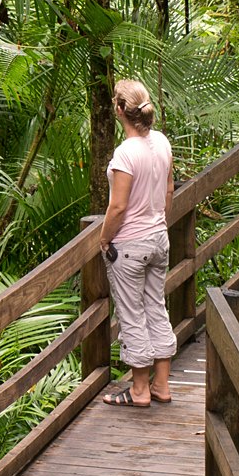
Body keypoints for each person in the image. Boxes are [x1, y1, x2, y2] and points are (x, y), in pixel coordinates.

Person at [93, 78, 177, 406]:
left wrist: (104, 238)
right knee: (156, 306)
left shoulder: (125, 153)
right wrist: (160, 220)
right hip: (158, 238)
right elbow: (168, 189)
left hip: (129, 244)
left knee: (132, 313)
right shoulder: (161, 142)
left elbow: (118, 206)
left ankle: (140, 389)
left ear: (119, 110)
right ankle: (162, 385)